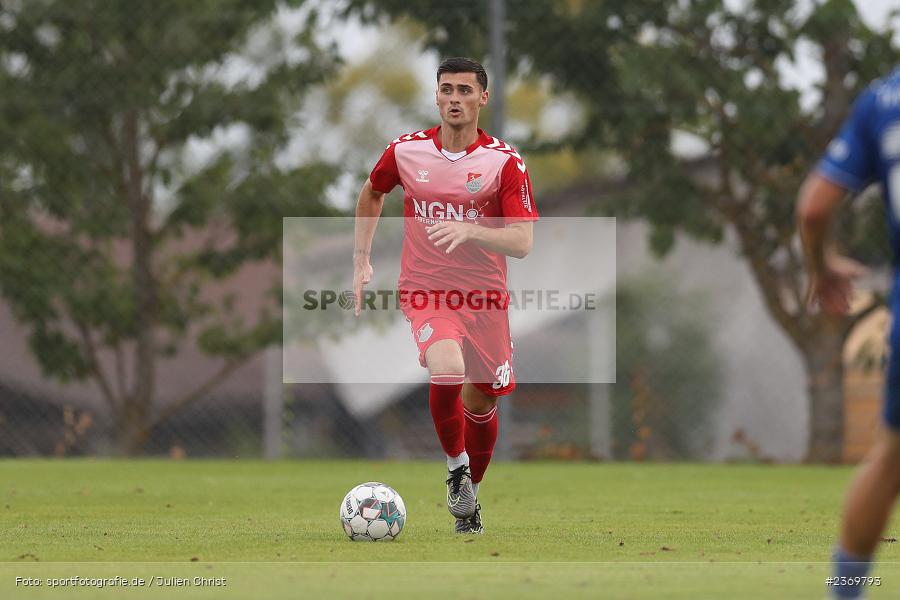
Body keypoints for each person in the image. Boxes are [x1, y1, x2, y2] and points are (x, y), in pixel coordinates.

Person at [352, 57, 538, 534]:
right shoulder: (407, 151)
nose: (454, 99)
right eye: (446, 90)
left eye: (464, 90)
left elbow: (521, 241)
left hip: (486, 300)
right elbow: (372, 193)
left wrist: (472, 230)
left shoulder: (504, 161)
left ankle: (469, 501)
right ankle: (456, 469)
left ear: (483, 98)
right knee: (447, 367)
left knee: (480, 403)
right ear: (436, 97)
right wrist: (361, 258)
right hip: (428, 289)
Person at [797, 69, 900, 598]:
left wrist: (821, 266)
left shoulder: (882, 100)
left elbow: (815, 206)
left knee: (890, 457)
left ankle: (846, 592)